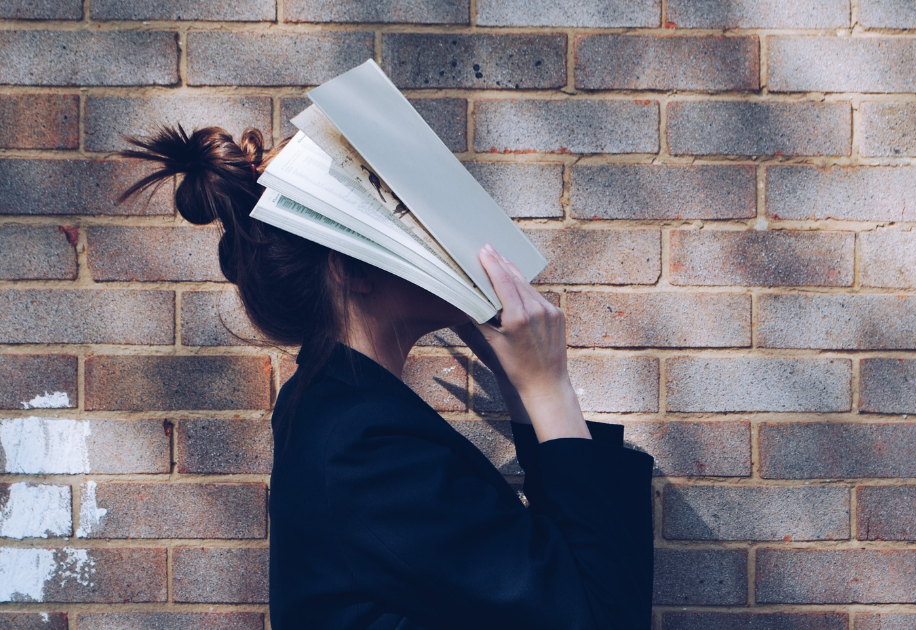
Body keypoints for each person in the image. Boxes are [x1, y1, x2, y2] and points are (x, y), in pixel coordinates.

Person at [119, 125, 654, 630]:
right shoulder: (363, 448)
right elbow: (602, 613)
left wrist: (520, 384)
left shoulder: (339, 412)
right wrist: (548, 387)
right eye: (410, 222)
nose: (444, 237)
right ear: (351, 268)